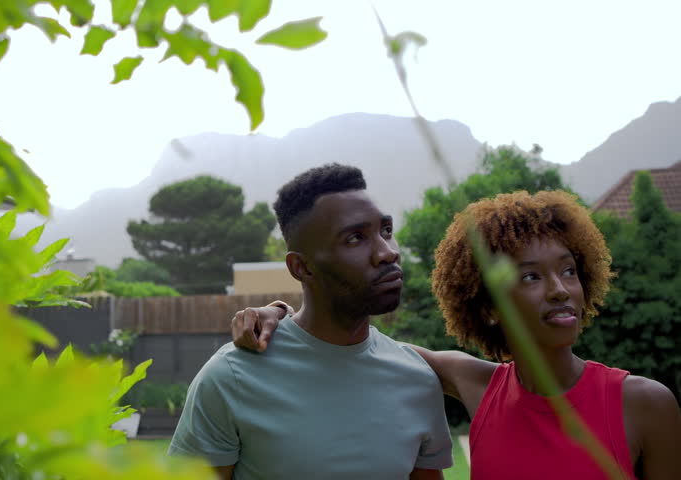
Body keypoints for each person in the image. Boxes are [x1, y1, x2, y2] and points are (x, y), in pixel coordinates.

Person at [232, 190, 681, 479]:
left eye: (568, 271)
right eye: (530, 278)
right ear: (487, 308)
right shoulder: (475, 385)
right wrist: (279, 312)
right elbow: (347, 345)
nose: (561, 290)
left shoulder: (644, 404)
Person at [169, 163, 453, 479]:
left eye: (386, 231)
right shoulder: (232, 378)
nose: (387, 253)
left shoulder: (417, 379)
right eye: (355, 238)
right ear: (301, 268)